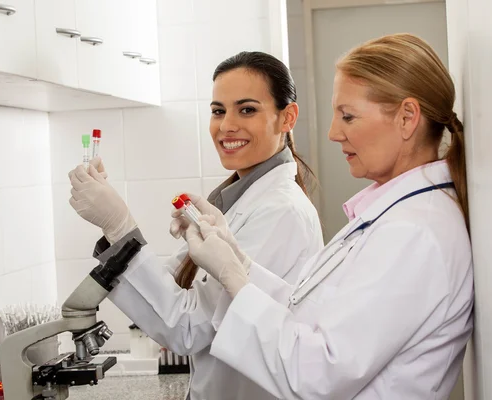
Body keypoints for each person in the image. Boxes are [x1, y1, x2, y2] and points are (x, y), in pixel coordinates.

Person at [181, 33, 474, 399]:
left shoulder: (415, 232)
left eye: (348, 116)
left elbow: (315, 373)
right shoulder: (394, 217)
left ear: (407, 118)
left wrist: (234, 279)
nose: (334, 133)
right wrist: (237, 262)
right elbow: (306, 311)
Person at [68, 51, 324, 399]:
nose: (226, 125)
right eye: (218, 111)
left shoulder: (280, 212)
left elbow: (187, 327)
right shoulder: (240, 201)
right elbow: (176, 292)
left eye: (246, 109)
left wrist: (120, 227)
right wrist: (116, 232)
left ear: (287, 118)